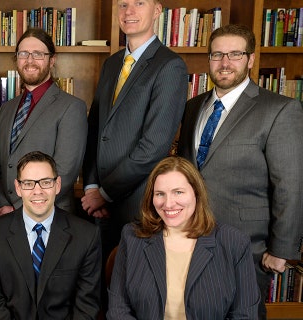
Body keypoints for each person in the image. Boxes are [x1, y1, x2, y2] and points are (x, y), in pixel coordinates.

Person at [177, 24, 303, 319]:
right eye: (217, 54)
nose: (225, 63)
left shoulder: (280, 110)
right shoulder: (193, 106)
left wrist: (281, 249)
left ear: (251, 59)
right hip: (191, 239)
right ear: (208, 59)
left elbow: (291, 184)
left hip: (247, 247)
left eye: (235, 54)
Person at [82, 0, 187, 262]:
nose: (129, 11)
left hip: (137, 205)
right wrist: (91, 186)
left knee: (134, 291)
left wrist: (104, 194)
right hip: (100, 207)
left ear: (157, 10)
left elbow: (154, 147)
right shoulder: (112, 64)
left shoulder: (170, 66)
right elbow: (95, 130)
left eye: (139, 3)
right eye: (123, 4)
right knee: (101, 290)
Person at [108, 156, 260, 319]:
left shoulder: (234, 242)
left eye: (178, 192)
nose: (168, 204)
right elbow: (118, 309)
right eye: (160, 194)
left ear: (196, 193)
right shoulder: (132, 237)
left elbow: (245, 314)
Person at [0, 151, 101, 319]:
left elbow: (86, 306)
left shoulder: (87, 236)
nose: (38, 191)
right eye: (28, 183)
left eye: (46, 182)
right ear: (18, 188)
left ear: (57, 185)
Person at [0, 28, 88, 217]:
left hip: (51, 217)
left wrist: (19, 210)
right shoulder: (7, 108)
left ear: (52, 60)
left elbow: (64, 172)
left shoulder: (72, 107)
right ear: (17, 59)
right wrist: (2, 204)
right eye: (23, 54)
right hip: (5, 217)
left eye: (38, 54)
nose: (30, 60)